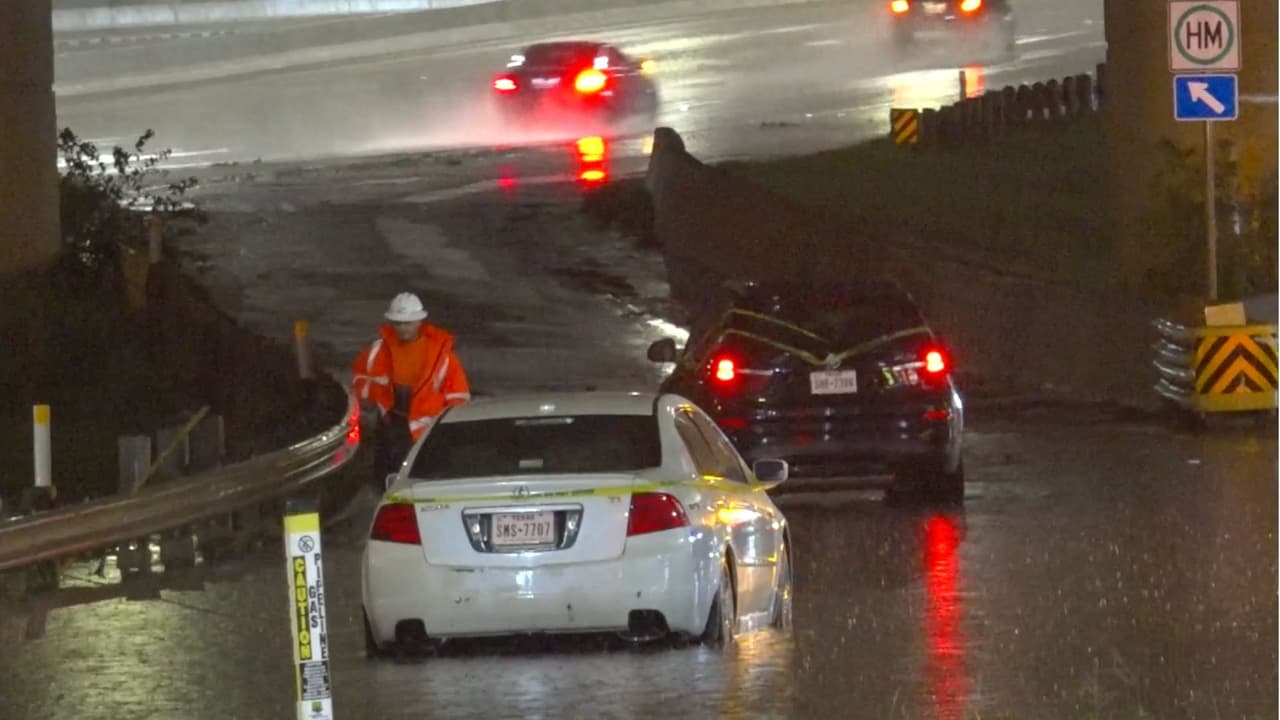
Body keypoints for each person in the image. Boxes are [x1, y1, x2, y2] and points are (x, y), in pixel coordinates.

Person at [352, 292, 471, 483]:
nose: (402, 328)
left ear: (419, 322)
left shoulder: (440, 355)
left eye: (407, 323)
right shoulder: (378, 350)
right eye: (398, 323)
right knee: (387, 477)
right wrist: (378, 397)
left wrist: (446, 429)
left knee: (423, 479)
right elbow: (360, 379)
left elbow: (458, 395)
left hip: (428, 432)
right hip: (391, 425)